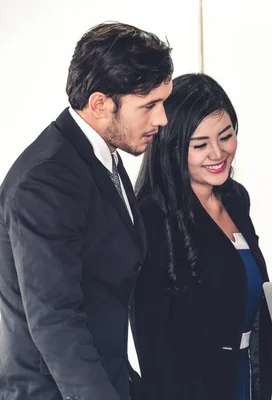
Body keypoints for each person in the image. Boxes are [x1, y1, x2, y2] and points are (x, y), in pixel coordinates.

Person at [0, 22, 173, 400]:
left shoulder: (99, 156)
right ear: (99, 104)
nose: (161, 119)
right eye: (149, 106)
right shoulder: (45, 180)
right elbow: (55, 321)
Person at [132, 73, 272, 400]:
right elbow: (153, 344)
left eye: (226, 136)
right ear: (172, 148)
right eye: (200, 145)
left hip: (249, 372)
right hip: (193, 387)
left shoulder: (235, 199)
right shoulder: (153, 216)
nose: (218, 153)